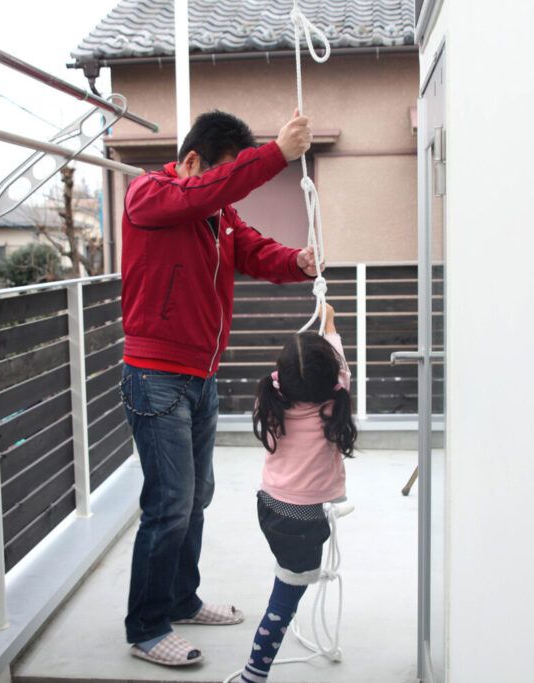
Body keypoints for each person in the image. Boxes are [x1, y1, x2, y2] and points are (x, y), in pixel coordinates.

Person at [119, 109, 320, 667]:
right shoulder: (149, 195)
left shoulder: (220, 215)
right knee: (169, 504)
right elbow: (205, 192)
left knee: (195, 497)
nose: (226, 188)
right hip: (155, 376)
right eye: (222, 174)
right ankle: (146, 627)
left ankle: (181, 600)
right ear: (191, 161)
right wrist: (275, 154)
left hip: (199, 377)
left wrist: (299, 262)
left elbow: (254, 251)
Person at [239, 303, 357, 683]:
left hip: (269, 506)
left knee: (287, 579)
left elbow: (331, 370)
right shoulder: (335, 403)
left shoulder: (269, 400)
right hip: (303, 519)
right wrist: (330, 323)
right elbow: (342, 368)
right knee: (285, 597)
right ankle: (254, 671)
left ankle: (256, 669)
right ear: (332, 379)